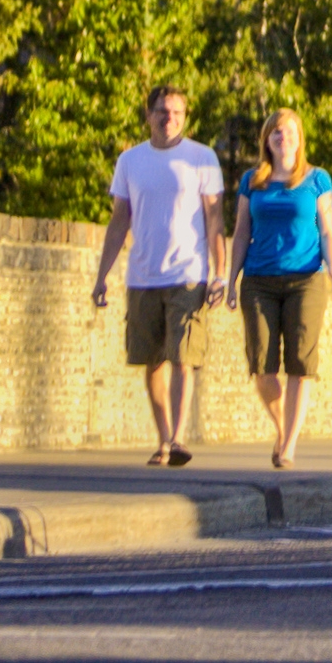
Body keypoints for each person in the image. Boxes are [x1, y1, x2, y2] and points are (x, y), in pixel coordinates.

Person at [88, 84, 223, 467]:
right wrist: (102, 276)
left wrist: (221, 273)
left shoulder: (202, 158)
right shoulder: (130, 161)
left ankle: (179, 439)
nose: (170, 119)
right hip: (143, 273)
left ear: (186, 117)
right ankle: (163, 437)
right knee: (152, 360)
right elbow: (119, 221)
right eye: (163, 112)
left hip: (189, 273)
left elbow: (215, 219)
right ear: (148, 116)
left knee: (183, 356)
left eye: (177, 113)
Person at [220, 105, 332, 470]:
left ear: (299, 138)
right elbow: (242, 231)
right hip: (259, 279)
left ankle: (289, 445)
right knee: (262, 367)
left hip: (305, 279)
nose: (283, 137)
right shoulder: (253, 181)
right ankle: (282, 428)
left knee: (299, 364)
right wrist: (231, 281)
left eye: (289, 131)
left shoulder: (316, 179)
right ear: (267, 139)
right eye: (276, 132)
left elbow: (327, 228)